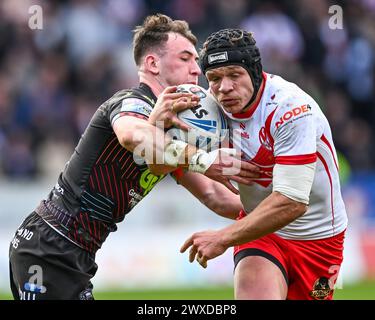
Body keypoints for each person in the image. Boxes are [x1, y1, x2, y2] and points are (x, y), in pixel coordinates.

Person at [9, 16, 260, 300]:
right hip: (50, 248)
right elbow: (132, 135)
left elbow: (215, 194)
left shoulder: (173, 134)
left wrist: (276, 209)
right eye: (186, 58)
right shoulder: (130, 102)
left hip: (72, 252)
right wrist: (203, 159)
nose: (196, 70)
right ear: (153, 64)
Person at [180, 28, 348, 300]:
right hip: (260, 231)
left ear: (255, 73)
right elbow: (149, 151)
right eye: (214, 78)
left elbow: (292, 202)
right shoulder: (207, 107)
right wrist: (162, 127)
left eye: (234, 75)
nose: (224, 88)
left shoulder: (290, 109)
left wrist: (222, 237)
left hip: (318, 239)